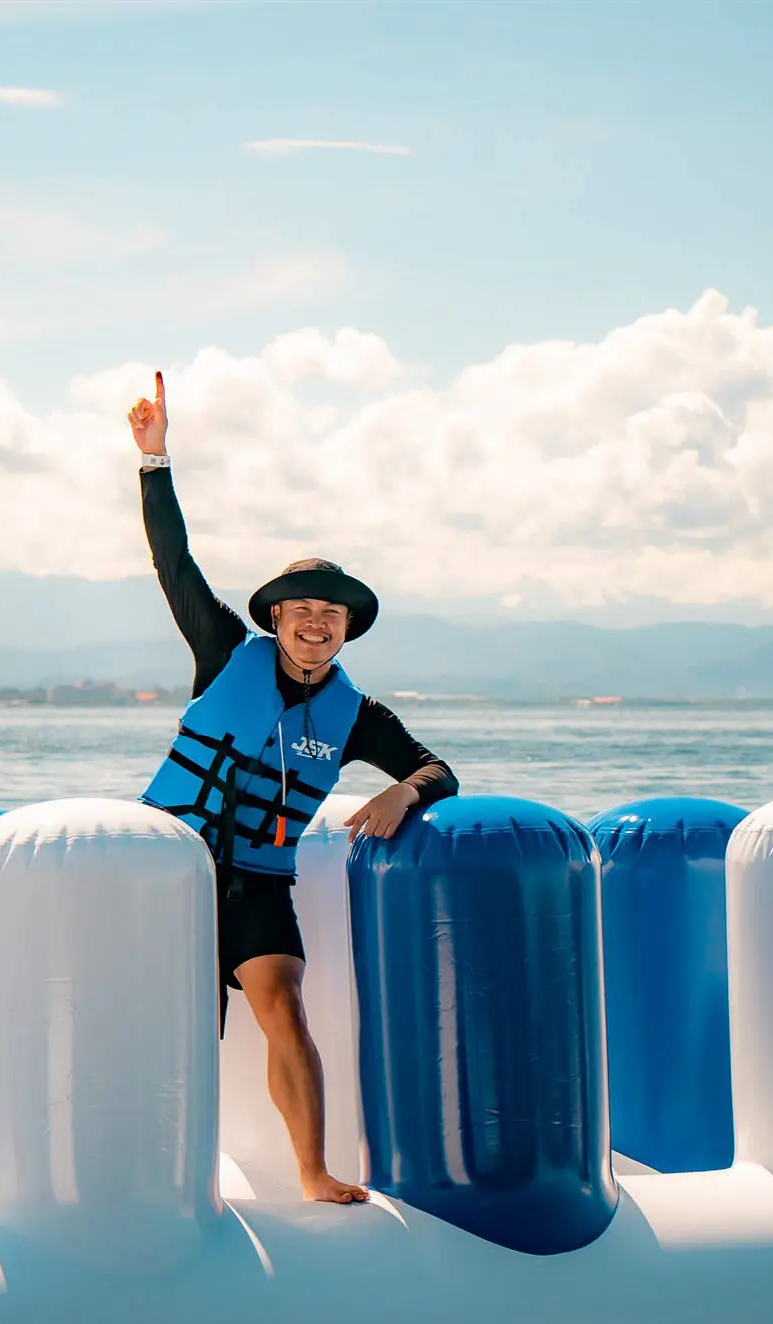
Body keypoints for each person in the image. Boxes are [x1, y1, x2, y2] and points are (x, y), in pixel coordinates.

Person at [129, 371, 459, 1205]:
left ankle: (312, 1171)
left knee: (283, 1004)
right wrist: (155, 460)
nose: (316, 621)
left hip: (258, 881)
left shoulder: (359, 715)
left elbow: (438, 770)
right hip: (170, 867)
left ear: (346, 630)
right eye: (302, 608)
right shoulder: (222, 652)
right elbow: (174, 562)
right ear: (275, 617)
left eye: (332, 614)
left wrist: (402, 794)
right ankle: (156, 1176)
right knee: (168, 1021)